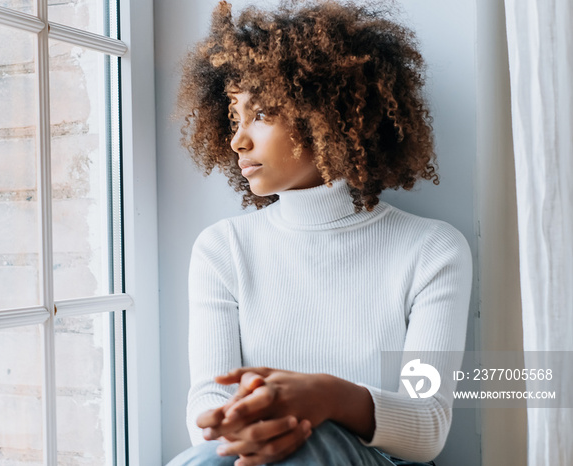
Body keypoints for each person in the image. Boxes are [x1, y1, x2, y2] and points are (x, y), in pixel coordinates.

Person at [168, 1, 473, 465]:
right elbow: (208, 404)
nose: (238, 140)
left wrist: (327, 398)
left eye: (263, 113)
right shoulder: (222, 249)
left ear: (328, 114)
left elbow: (427, 427)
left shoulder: (432, 249)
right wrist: (249, 425)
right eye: (234, 116)